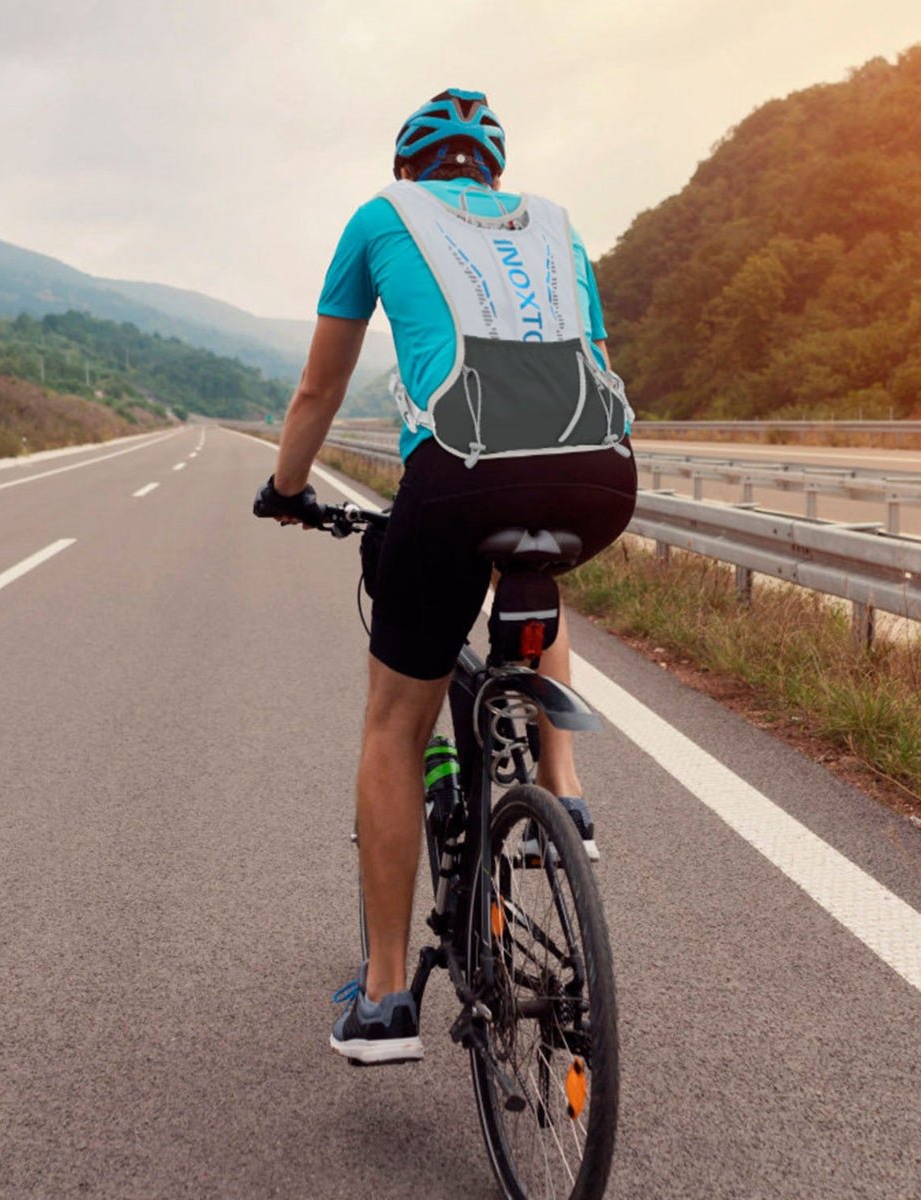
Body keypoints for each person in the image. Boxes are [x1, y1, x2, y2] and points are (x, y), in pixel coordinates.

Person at [253, 88, 637, 1065]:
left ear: (409, 167)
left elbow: (319, 386)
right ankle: (564, 787)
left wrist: (288, 488)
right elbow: (587, 360)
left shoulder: (382, 219)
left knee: (394, 721)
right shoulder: (557, 226)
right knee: (538, 557)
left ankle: (385, 998)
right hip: (601, 472)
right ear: (492, 172)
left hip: (459, 469)